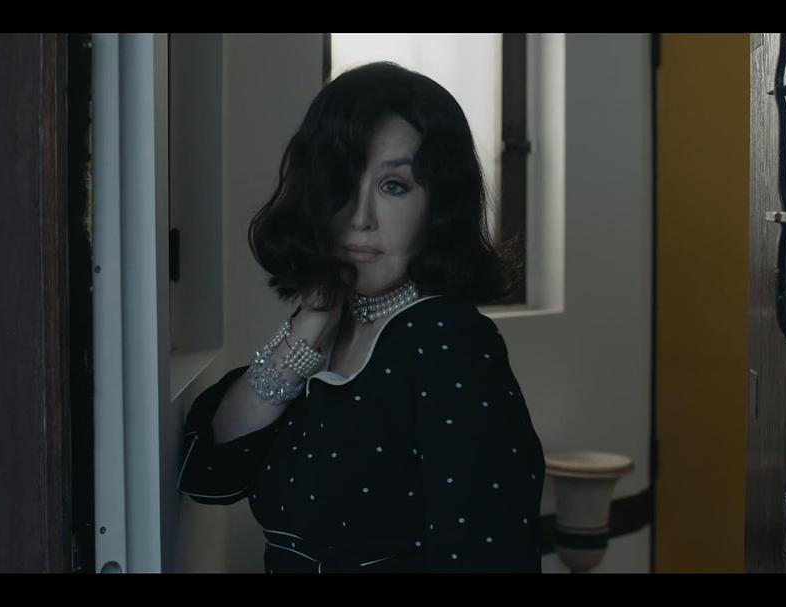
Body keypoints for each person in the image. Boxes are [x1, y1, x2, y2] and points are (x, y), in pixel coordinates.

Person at [178, 61, 545, 573]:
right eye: (342, 180)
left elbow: (489, 554)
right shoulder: (328, 324)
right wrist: (308, 325)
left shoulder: (449, 340)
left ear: (439, 202)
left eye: (393, 186)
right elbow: (209, 475)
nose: (359, 217)